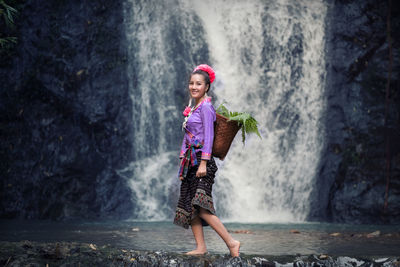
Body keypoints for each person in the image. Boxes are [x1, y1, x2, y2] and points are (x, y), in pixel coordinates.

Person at [173, 64, 240, 257]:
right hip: (190, 162)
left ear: (207, 87)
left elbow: (209, 137)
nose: (194, 87)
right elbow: (187, 137)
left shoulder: (207, 108)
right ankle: (201, 247)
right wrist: (182, 160)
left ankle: (232, 242)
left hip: (203, 163)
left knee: (201, 207)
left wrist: (203, 162)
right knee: (190, 206)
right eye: (191, 83)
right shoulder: (192, 109)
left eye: (198, 84)